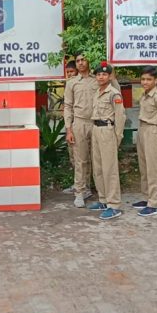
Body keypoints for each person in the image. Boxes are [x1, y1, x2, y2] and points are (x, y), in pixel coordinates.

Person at [86, 62, 126, 220]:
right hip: (96, 129)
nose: (100, 77)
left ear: (110, 76)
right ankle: (103, 199)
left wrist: (117, 136)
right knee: (98, 168)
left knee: (110, 169)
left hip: (108, 131)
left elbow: (120, 116)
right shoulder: (97, 92)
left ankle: (114, 205)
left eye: (104, 74)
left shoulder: (114, 94)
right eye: (98, 74)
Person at [132, 67, 157, 217]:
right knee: (144, 167)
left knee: (153, 168)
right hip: (142, 130)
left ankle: (154, 203)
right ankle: (146, 197)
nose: (145, 82)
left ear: (156, 81)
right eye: (143, 79)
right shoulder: (144, 95)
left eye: (148, 79)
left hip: (153, 131)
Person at [63, 53, 98, 208]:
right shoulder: (72, 83)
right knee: (80, 160)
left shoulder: (98, 79)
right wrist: (69, 129)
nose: (81, 63)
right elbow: (68, 107)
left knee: (96, 159)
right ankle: (79, 193)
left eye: (83, 59)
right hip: (79, 123)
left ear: (89, 61)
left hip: (97, 123)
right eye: (78, 61)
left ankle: (89, 189)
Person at [62, 59, 78, 194]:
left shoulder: (79, 85)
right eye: (68, 72)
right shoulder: (69, 85)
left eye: (72, 71)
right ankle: (77, 184)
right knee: (73, 157)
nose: (70, 74)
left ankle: (83, 187)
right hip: (70, 126)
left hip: (80, 125)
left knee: (81, 159)